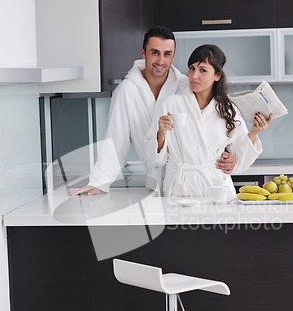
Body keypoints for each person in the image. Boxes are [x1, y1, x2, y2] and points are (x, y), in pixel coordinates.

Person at [70, 27, 236, 196]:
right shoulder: (127, 91)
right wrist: (99, 182)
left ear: (174, 55)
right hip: (155, 180)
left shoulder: (186, 85)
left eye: (167, 54)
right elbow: (116, 141)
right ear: (144, 53)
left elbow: (212, 122)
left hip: (193, 182)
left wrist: (231, 155)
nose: (161, 60)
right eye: (155, 53)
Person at [145, 44, 272, 197]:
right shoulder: (170, 104)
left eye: (203, 70)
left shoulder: (228, 109)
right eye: (192, 68)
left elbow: (238, 157)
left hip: (216, 189)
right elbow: (153, 160)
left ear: (217, 75)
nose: (194, 76)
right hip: (179, 189)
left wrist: (253, 132)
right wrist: (161, 134)